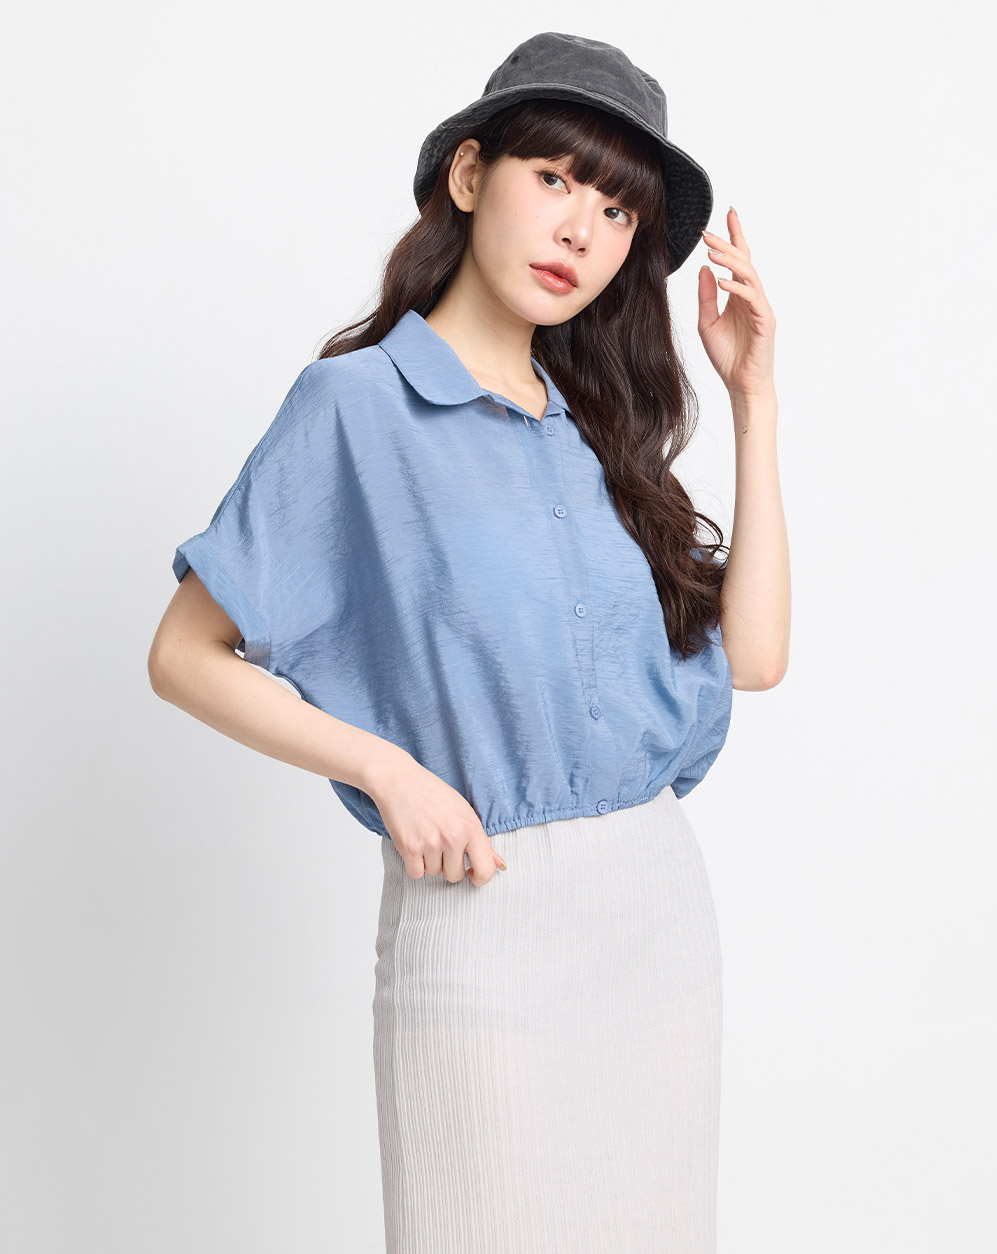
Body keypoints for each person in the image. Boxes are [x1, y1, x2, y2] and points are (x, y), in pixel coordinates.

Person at [148, 30, 789, 1254]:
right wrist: (386, 769)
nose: (580, 231)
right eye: (553, 179)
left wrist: (753, 400)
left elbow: (752, 658)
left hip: (656, 917)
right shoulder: (355, 408)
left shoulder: (595, 432)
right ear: (467, 175)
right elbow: (182, 654)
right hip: (481, 917)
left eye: (616, 211)